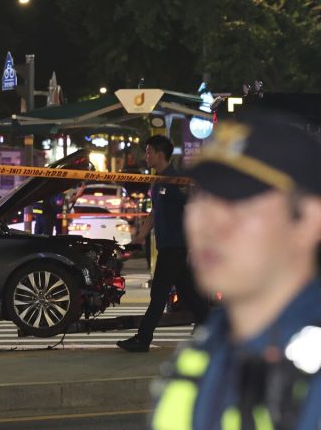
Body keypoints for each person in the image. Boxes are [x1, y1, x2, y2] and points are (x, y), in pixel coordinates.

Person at [150, 109, 321, 429]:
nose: (208, 223)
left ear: (308, 220)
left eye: (239, 200)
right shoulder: (197, 361)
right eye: (204, 197)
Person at [117, 135, 209, 352]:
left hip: (175, 246)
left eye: (149, 151)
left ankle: (143, 339)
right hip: (167, 245)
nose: (146, 155)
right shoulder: (157, 181)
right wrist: (140, 236)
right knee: (190, 295)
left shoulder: (177, 180)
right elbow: (155, 212)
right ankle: (218, 330)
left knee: (158, 294)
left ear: (160, 154)